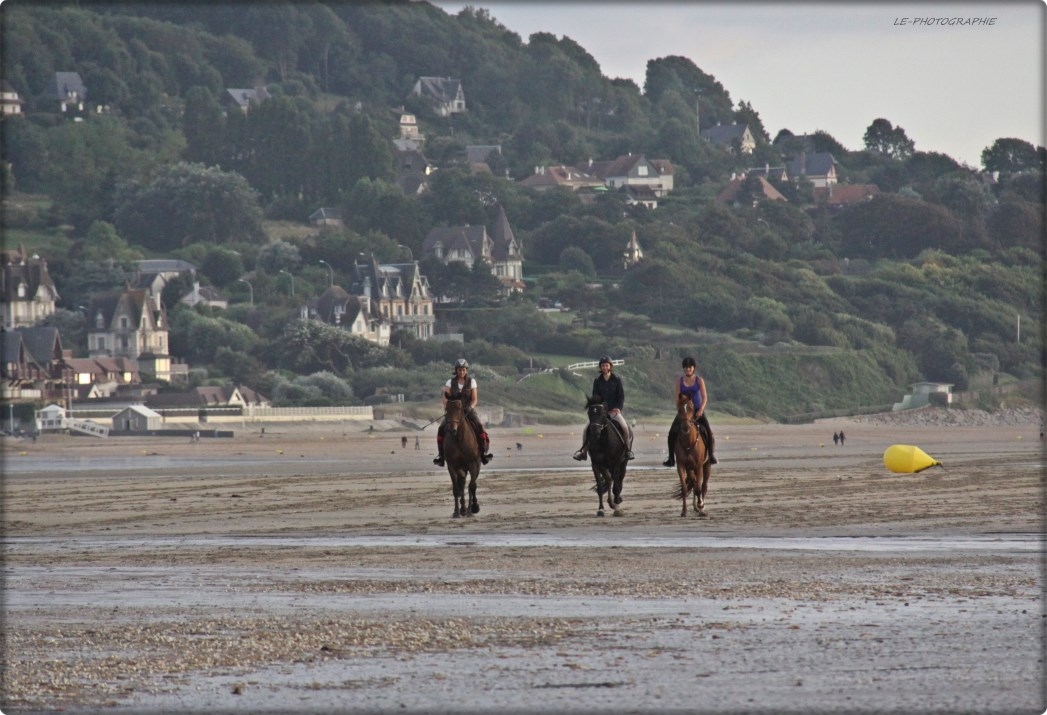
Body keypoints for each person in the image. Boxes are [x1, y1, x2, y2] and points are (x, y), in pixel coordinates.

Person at [573, 356, 634, 462]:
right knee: (585, 429)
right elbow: (595, 397)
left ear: (610, 366)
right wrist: (598, 409)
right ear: (600, 367)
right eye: (602, 366)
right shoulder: (597, 381)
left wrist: (618, 408)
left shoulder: (617, 380)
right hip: (600, 412)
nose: (605, 367)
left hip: (613, 411)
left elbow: (621, 397)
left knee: (624, 427)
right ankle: (583, 453)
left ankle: (627, 451)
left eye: (606, 365)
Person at [433, 358, 492, 466]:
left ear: (466, 370)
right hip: (454, 412)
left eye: (463, 370)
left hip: (468, 410)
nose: (461, 372)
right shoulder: (450, 382)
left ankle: (483, 453)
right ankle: (441, 456)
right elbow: (445, 399)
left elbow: (474, 399)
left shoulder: (472, 382)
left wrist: (470, 407)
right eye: (459, 370)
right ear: (456, 370)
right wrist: (448, 409)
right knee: (441, 428)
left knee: (479, 426)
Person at [662, 356, 717, 467]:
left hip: (697, 411)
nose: (688, 369)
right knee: (671, 433)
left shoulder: (699, 380)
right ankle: (671, 458)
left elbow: (704, 397)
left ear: (693, 368)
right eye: (686, 367)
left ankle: (711, 455)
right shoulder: (679, 381)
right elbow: (677, 398)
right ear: (684, 368)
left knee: (708, 431)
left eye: (690, 367)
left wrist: (701, 409)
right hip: (684, 411)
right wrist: (680, 410)